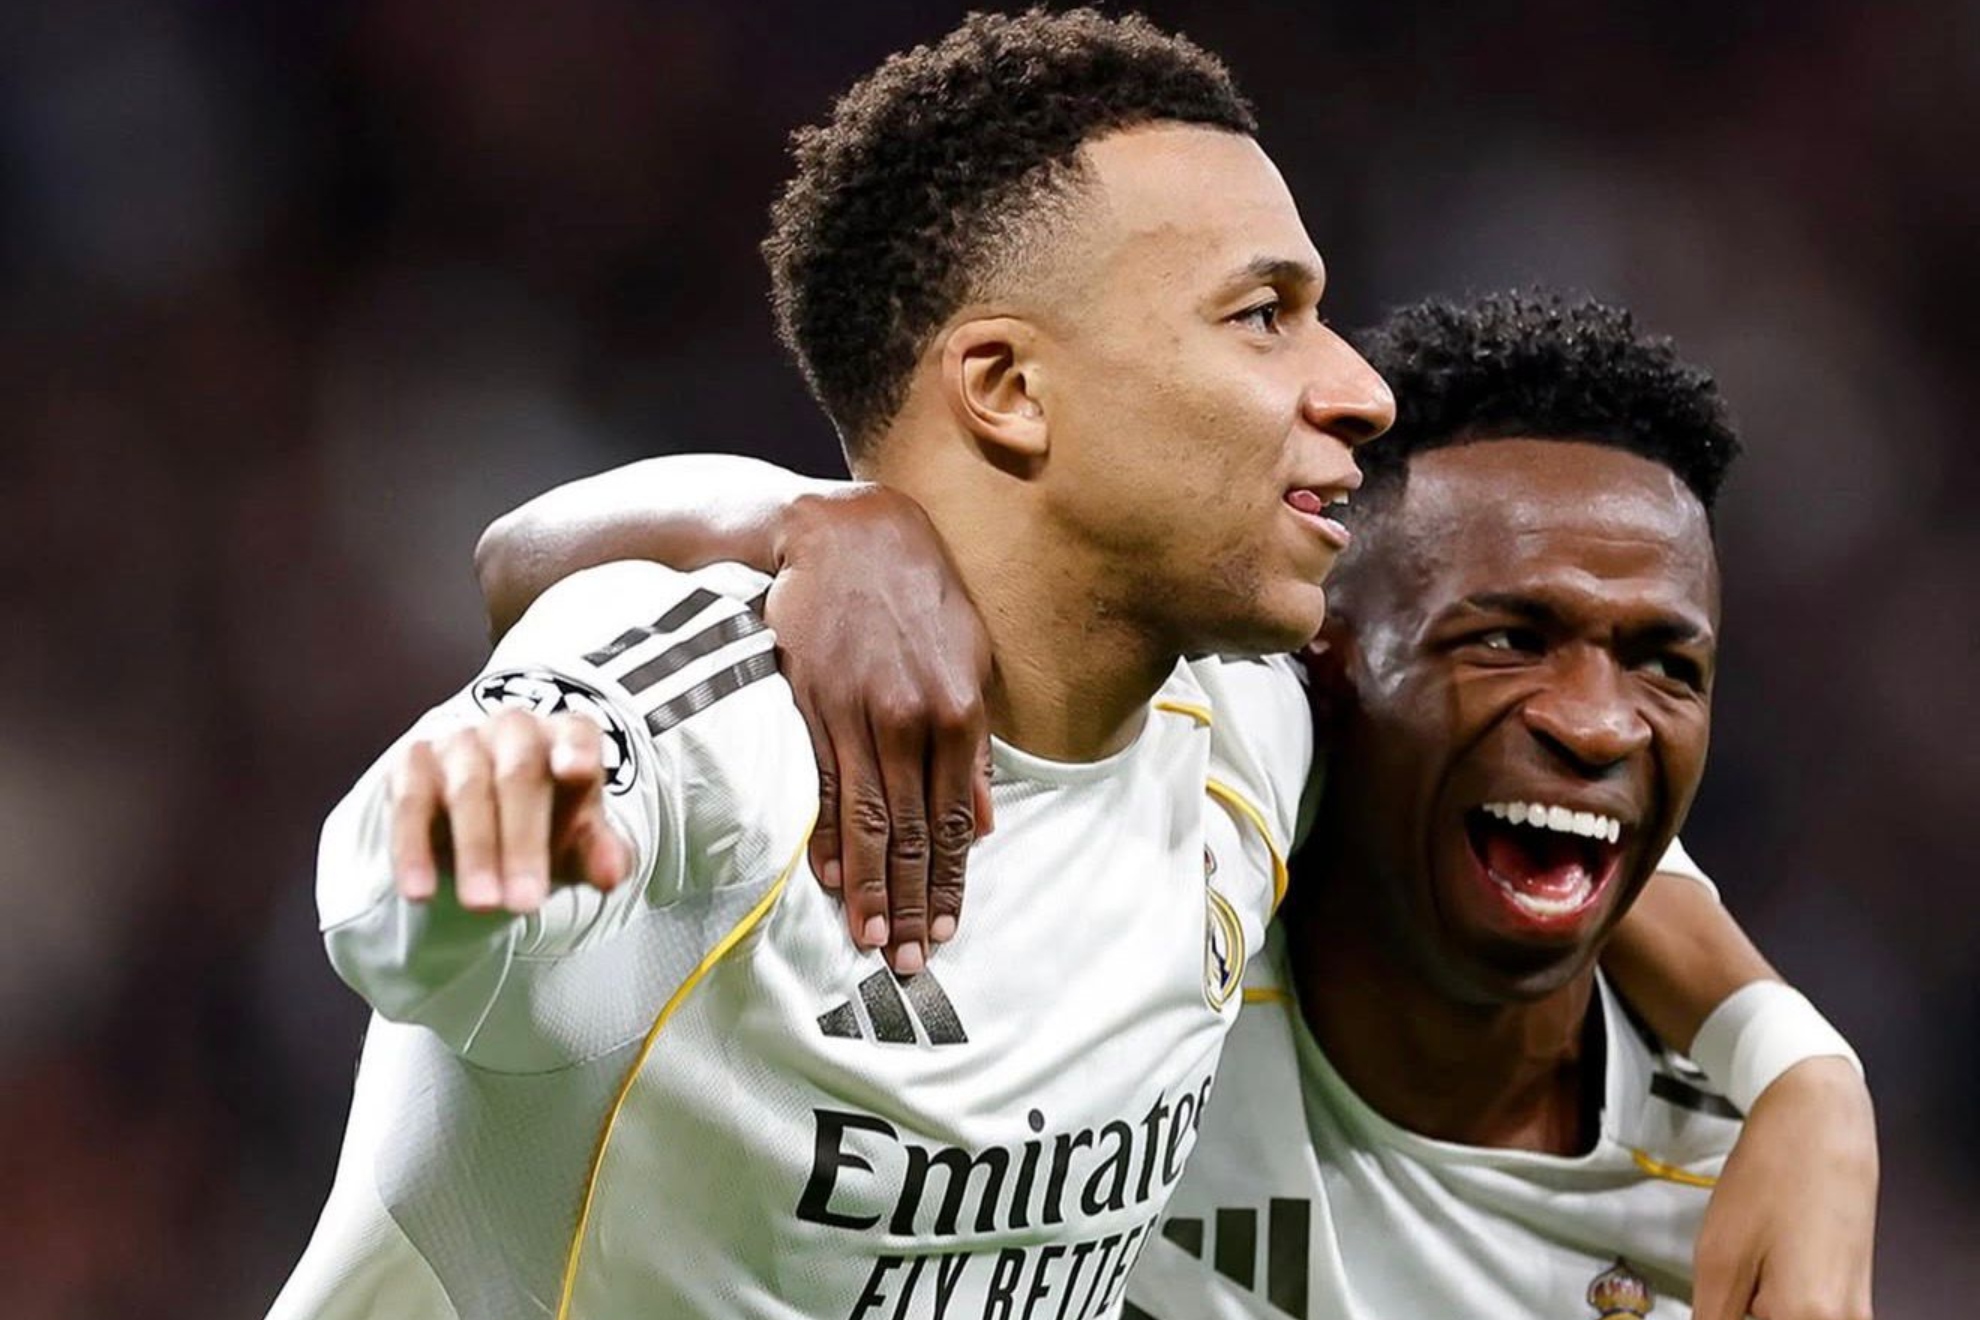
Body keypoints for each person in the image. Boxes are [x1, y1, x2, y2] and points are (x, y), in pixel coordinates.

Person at [275, 11, 1396, 1319]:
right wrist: (470, 832)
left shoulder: (1256, 721)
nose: (1357, 386)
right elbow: (405, 906)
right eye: (1263, 315)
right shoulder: (732, 717)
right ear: (1009, 389)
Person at [1115, 292, 1875, 1319]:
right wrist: (841, 539)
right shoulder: (1147, 925)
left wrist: (1807, 1076)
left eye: (1665, 664)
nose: (1601, 726)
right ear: (1321, 662)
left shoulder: (1744, 1192)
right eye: (1509, 639)